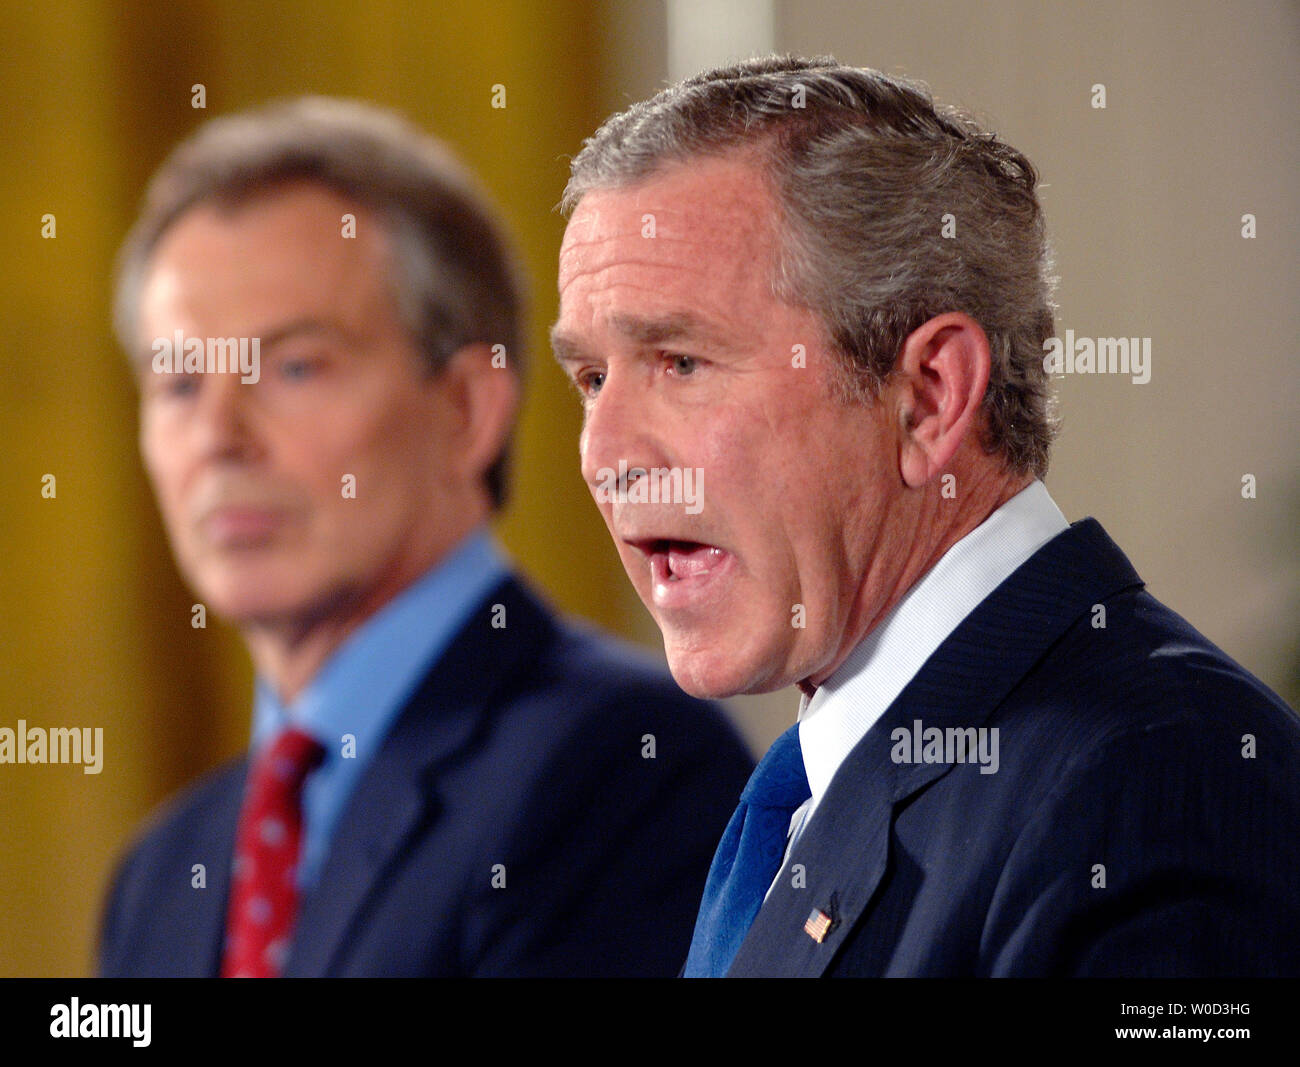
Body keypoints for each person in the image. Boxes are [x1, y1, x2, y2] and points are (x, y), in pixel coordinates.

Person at [552, 55, 1300, 977]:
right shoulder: (804, 792)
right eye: (591, 378)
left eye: (680, 362)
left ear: (930, 397)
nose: (606, 455)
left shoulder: (1161, 780)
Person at [99, 96, 753, 978]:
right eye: (179, 383)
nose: (219, 434)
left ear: (464, 412)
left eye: (294, 365)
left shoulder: (624, 770)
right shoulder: (159, 876)